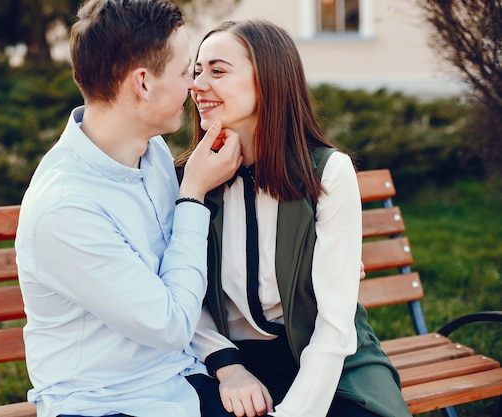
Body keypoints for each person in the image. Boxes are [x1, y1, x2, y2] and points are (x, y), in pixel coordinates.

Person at [14, 1, 244, 416]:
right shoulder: (66, 209)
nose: (194, 87)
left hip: (181, 381)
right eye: (183, 73)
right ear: (143, 83)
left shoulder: (151, 150)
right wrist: (192, 193)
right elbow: (171, 323)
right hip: (107, 403)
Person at [176, 20, 413, 417]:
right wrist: (227, 367)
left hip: (329, 360)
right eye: (196, 71)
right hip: (228, 362)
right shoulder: (190, 178)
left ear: (268, 80)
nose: (197, 85)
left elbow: (336, 324)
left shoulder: (327, 173)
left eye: (217, 71)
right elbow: (182, 293)